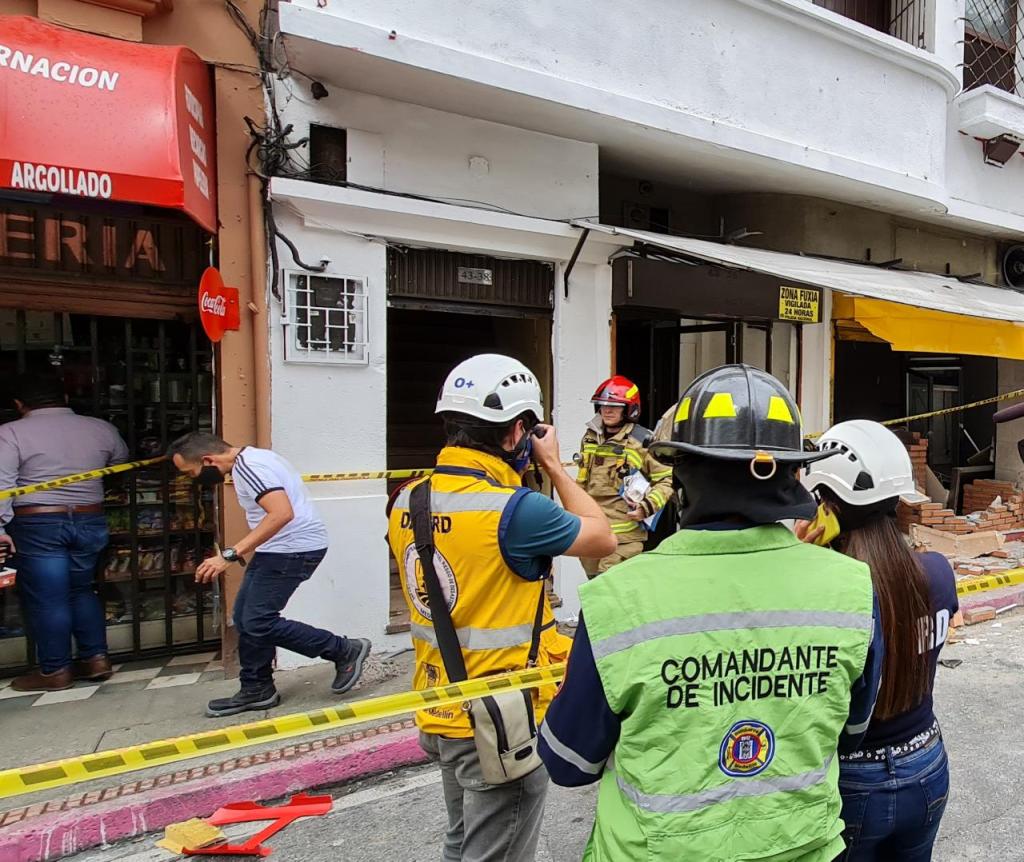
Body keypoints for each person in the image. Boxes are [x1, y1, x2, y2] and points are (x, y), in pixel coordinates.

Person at [539, 364, 884, 862]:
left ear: (681, 476)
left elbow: (569, 761)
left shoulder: (618, 599)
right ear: (791, 477)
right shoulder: (852, 588)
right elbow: (851, 734)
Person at [386, 353, 615, 862]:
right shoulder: (516, 510)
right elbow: (602, 539)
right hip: (500, 717)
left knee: (462, 840)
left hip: (439, 703)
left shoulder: (407, 499)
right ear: (517, 433)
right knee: (497, 853)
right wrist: (554, 466)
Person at [800, 420, 956, 861]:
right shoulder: (939, 573)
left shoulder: (824, 595)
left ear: (824, 504)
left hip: (851, 778)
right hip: (926, 764)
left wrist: (801, 561)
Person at [168, 432, 370, 717]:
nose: (193, 478)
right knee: (244, 617)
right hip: (279, 548)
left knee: (258, 620)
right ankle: (256, 688)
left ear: (208, 459)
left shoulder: (251, 468)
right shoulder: (252, 458)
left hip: (293, 550)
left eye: (192, 472)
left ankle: (342, 649)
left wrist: (231, 553)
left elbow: (281, 513)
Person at [0, 373, 129, 692]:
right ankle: (96, 659)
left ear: (19, 404)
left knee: (48, 596)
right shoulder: (101, 428)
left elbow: (2, 483)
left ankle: (55, 670)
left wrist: (0, 527)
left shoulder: (10, 432)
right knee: (82, 589)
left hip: (37, 523)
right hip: (89, 519)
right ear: (66, 399)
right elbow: (120, 461)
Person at [576, 375, 673, 576]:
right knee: (593, 591)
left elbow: (668, 478)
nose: (607, 410)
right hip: (592, 532)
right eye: (602, 405)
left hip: (624, 538)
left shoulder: (642, 441)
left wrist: (647, 507)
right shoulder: (590, 437)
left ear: (630, 409)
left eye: (615, 406)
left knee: (611, 594)